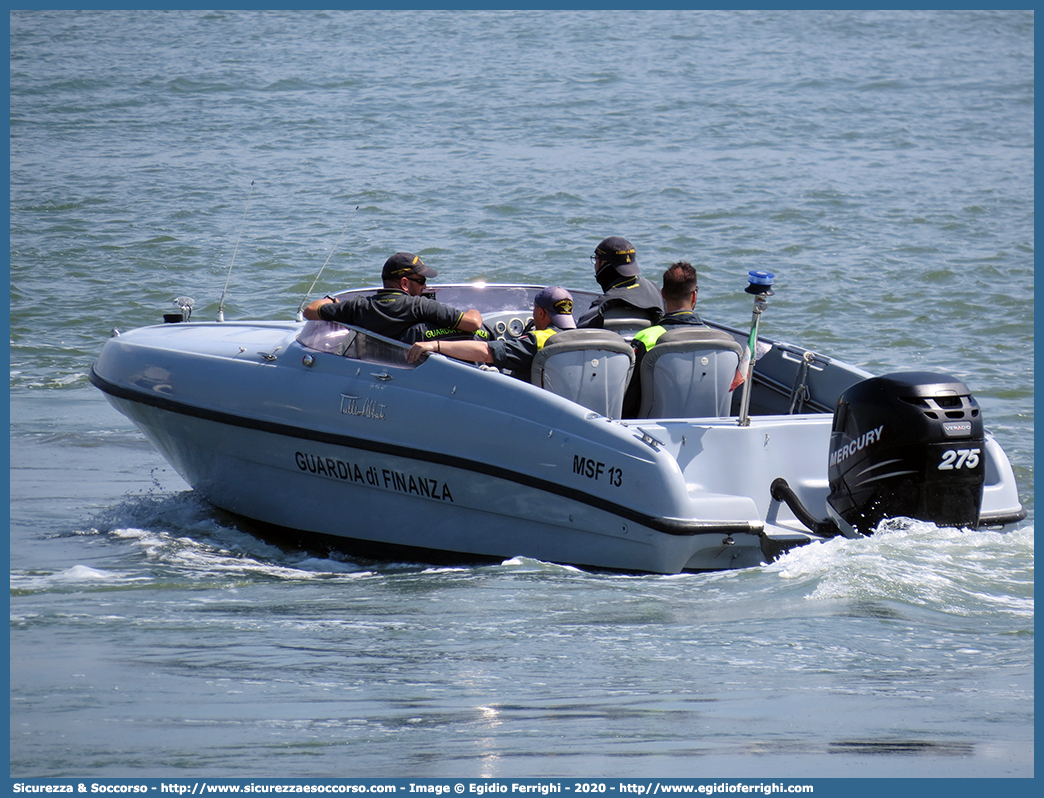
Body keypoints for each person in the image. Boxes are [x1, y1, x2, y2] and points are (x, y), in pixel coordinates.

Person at [407, 286, 577, 383]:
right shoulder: (585, 335)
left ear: (540, 313)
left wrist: (435, 345)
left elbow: (486, 352)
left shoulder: (540, 339)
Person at [303, 251, 483, 340]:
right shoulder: (419, 306)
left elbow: (310, 310)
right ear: (404, 283)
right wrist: (474, 309)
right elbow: (473, 324)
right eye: (420, 281)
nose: (425, 286)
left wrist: (332, 301)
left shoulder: (359, 306)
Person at [623, 261, 708, 417]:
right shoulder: (716, 339)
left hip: (653, 431)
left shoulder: (646, 338)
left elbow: (629, 400)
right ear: (694, 295)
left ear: (662, 294)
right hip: (704, 427)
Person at [576, 235, 664, 329]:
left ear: (603, 263)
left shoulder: (604, 303)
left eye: (596, 259)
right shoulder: (656, 289)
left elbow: (581, 332)